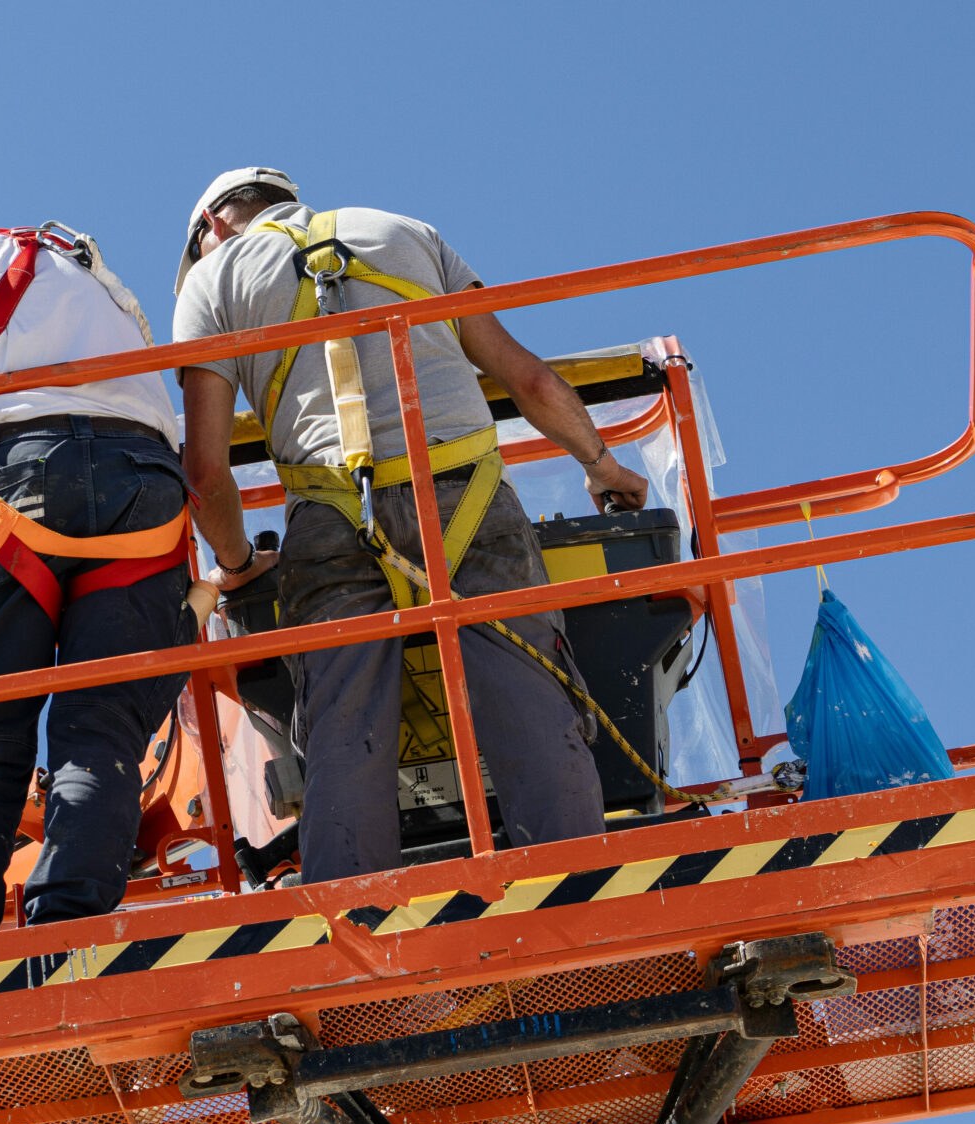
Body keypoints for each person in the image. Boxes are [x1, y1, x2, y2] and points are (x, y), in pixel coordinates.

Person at [171, 167, 652, 882]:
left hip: (332, 519)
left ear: (211, 229)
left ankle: (355, 935)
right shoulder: (404, 232)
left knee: (342, 734)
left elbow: (206, 474)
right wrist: (602, 463)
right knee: (530, 702)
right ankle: (581, 902)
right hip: (467, 492)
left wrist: (238, 565)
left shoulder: (213, 284)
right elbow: (530, 381)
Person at [0, 182, 266, 945]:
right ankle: (71, 925)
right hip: (145, 492)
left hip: (22, 489)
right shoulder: (78, 262)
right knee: (103, 729)